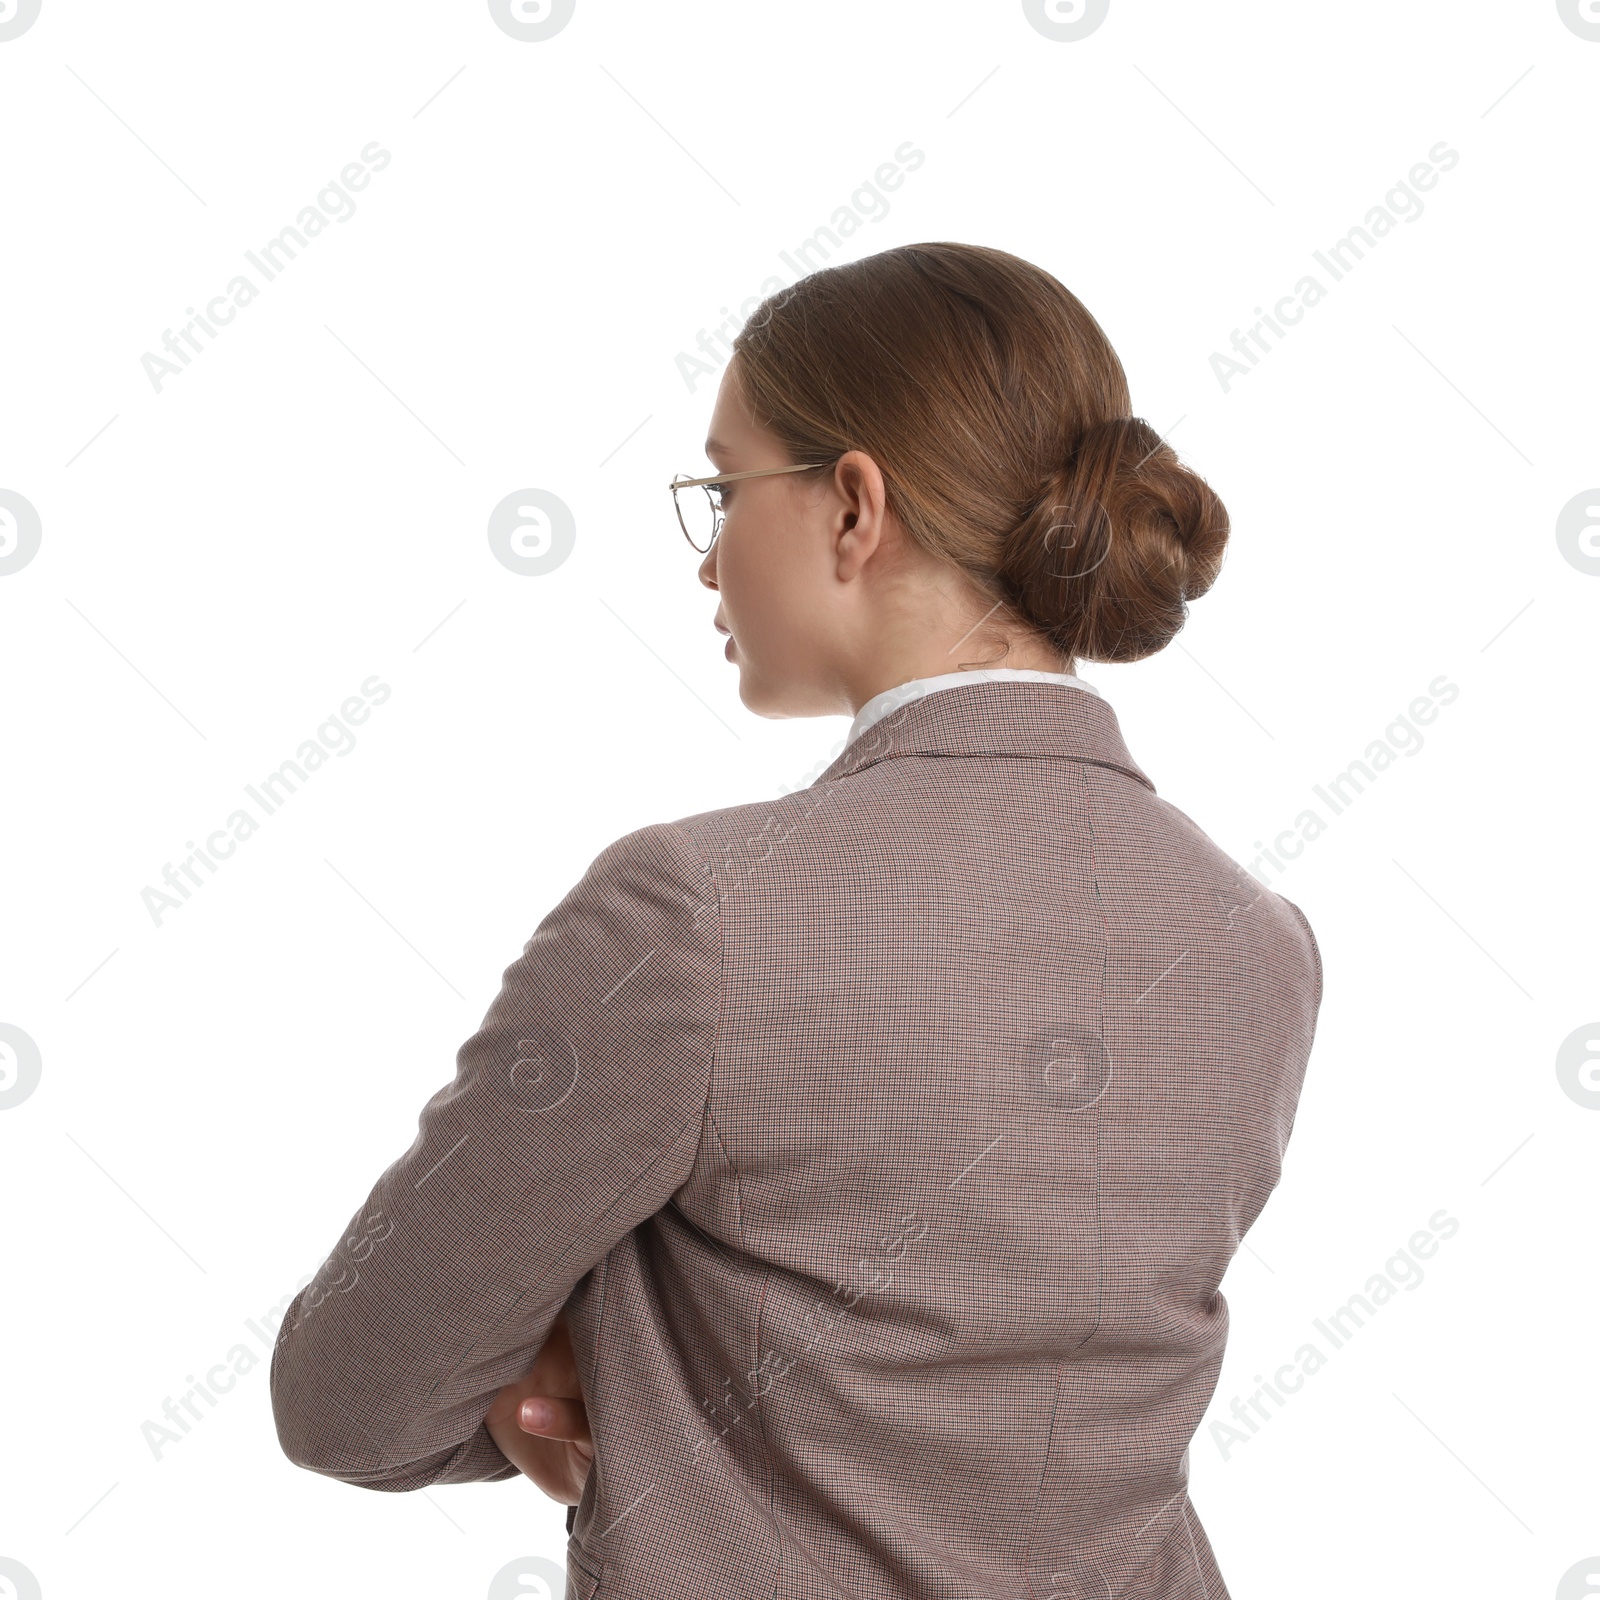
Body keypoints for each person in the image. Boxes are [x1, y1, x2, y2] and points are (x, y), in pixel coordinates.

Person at [270, 242, 1323, 1600]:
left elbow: (349, 1396)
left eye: (723, 489)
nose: (708, 564)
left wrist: (563, 1358)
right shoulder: (1257, 939)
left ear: (852, 507)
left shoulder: (692, 917)